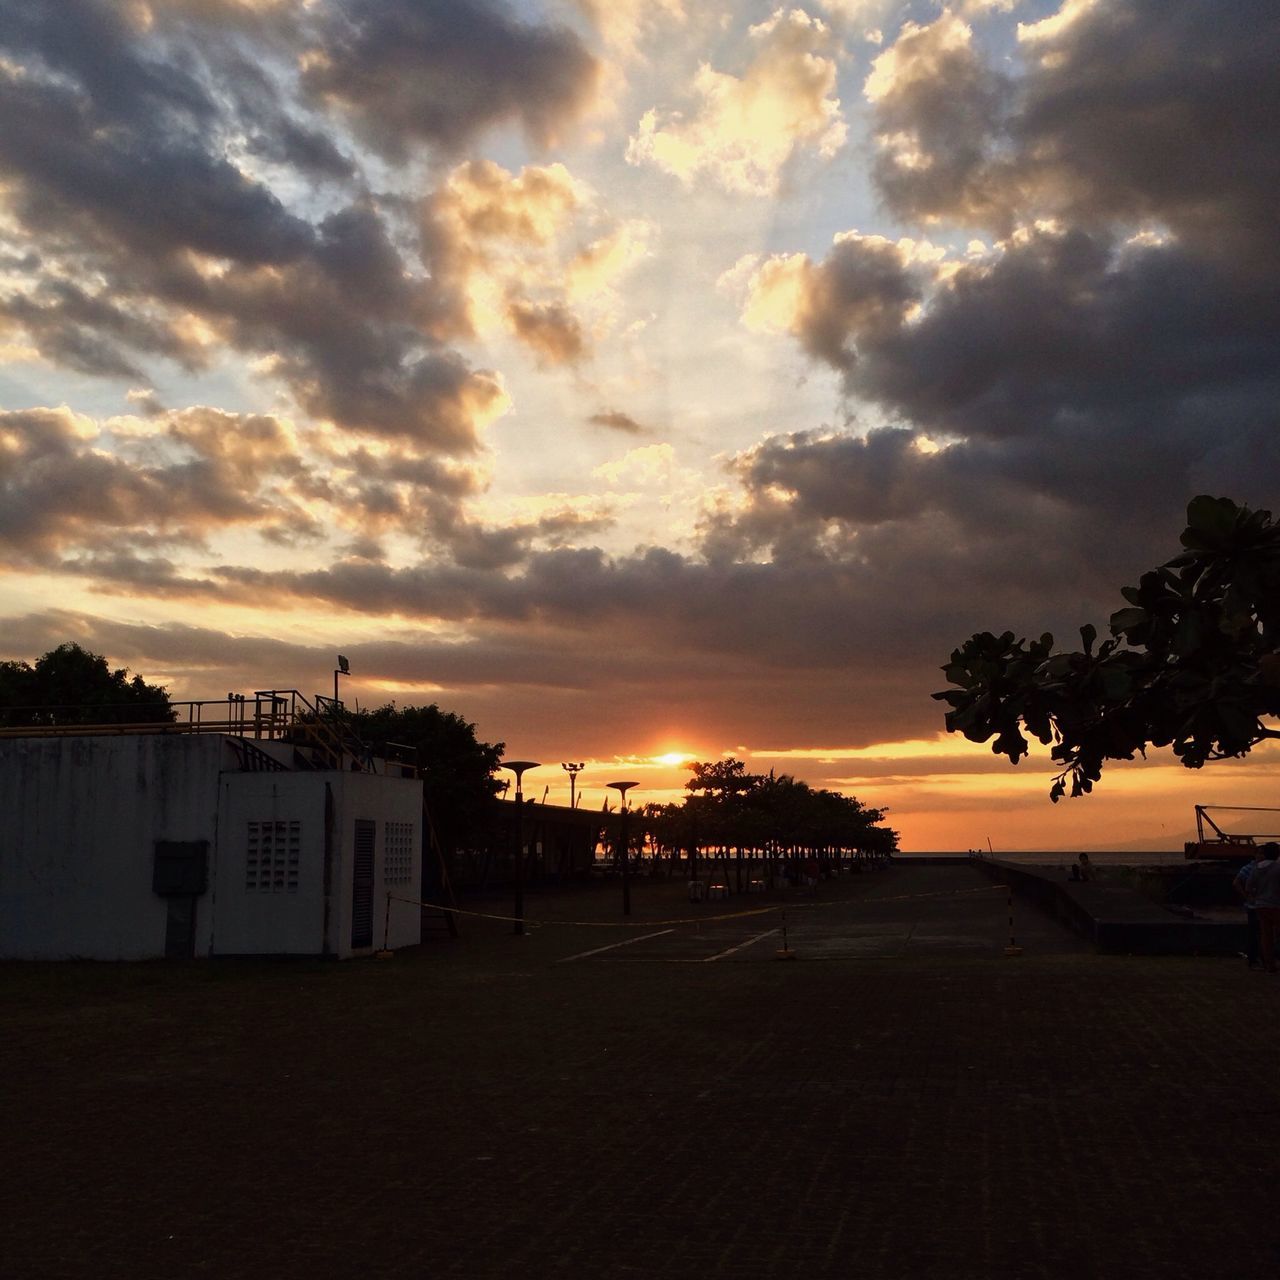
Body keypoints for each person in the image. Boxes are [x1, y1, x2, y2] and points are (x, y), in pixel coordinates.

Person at [1234, 846, 1266, 969]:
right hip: (1255, 906)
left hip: (1256, 905)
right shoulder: (1250, 868)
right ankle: (1255, 959)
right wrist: (1247, 896)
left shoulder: (1250, 868)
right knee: (1257, 933)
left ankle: (1258, 958)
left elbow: (1237, 883)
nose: (1261, 856)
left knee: (1258, 933)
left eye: (1263, 854)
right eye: (1260, 853)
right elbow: (1236, 882)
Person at [1250, 842, 1280, 974]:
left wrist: (1253, 898)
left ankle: (1269, 965)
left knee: (1266, 936)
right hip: (1276, 905)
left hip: (1261, 905)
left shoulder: (1256, 869)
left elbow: (1248, 887)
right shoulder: (1278, 868)